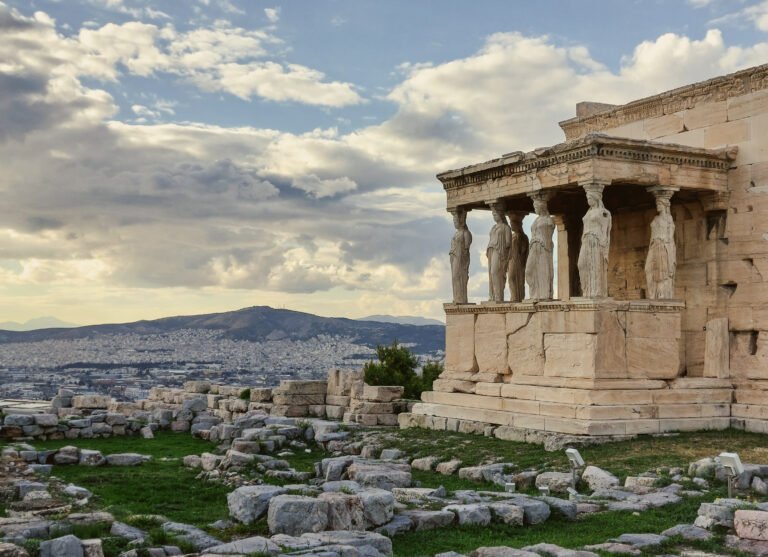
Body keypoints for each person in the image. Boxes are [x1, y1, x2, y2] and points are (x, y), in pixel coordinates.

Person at [577, 188, 612, 298]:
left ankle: (596, 292)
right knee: (581, 264)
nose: (588, 200)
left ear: (596, 198)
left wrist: (604, 245)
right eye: (587, 198)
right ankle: (587, 290)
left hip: (596, 240)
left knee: (595, 266)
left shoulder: (604, 212)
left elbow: (606, 230)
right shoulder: (588, 212)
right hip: (586, 240)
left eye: (590, 198)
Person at [645, 196, 676, 299]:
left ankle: (662, 294)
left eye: (660, 204)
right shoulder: (655, 218)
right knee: (648, 269)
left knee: (662, 271)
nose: (658, 206)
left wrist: (668, 249)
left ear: (665, 205)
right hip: (653, 245)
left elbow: (670, 236)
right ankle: (652, 294)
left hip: (663, 245)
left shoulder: (669, 219)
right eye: (657, 204)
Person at [525, 196, 555, 300]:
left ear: (542, 206)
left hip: (543, 248)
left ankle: (543, 294)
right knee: (529, 271)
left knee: (543, 270)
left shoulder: (549, 220)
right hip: (533, 247)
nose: (535, 209)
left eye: (536, 206)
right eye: (534, 206)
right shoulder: (537, 220)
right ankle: (535, 294)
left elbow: (549, 237)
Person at [486, 206, 511, 302]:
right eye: (493, 215)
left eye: (495, 214)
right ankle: (493, 296)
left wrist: (503, 249)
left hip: (500, 251)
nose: (494, 217)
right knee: (491, 273)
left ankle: (498, 296)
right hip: (491, 250)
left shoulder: (506, 228)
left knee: (495, 272)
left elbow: (508, 242)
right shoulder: (493, 227)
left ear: (500, 215)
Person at [449, 208, 472, 303]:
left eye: (456, 221)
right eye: (454, 221)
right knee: (454, 277)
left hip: (461, 259)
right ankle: (457, 297)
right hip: (454, 257)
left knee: (459, 276)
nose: (455, 223)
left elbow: (466, 248)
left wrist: (463, 260)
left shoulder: (466, 233)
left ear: (461, 221)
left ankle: (461, 298)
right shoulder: (456, 233)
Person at [507, 212, 529, 302]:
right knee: (510, 278)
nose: (511, 226)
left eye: (513, 224)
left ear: (518, 225)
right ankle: (514, 296)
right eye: (511, 224)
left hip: (518, 260)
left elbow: (524, 250)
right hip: (511, 259)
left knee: (513, 278)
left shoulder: (523, 237)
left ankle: (517, 297)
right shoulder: (512, 236)